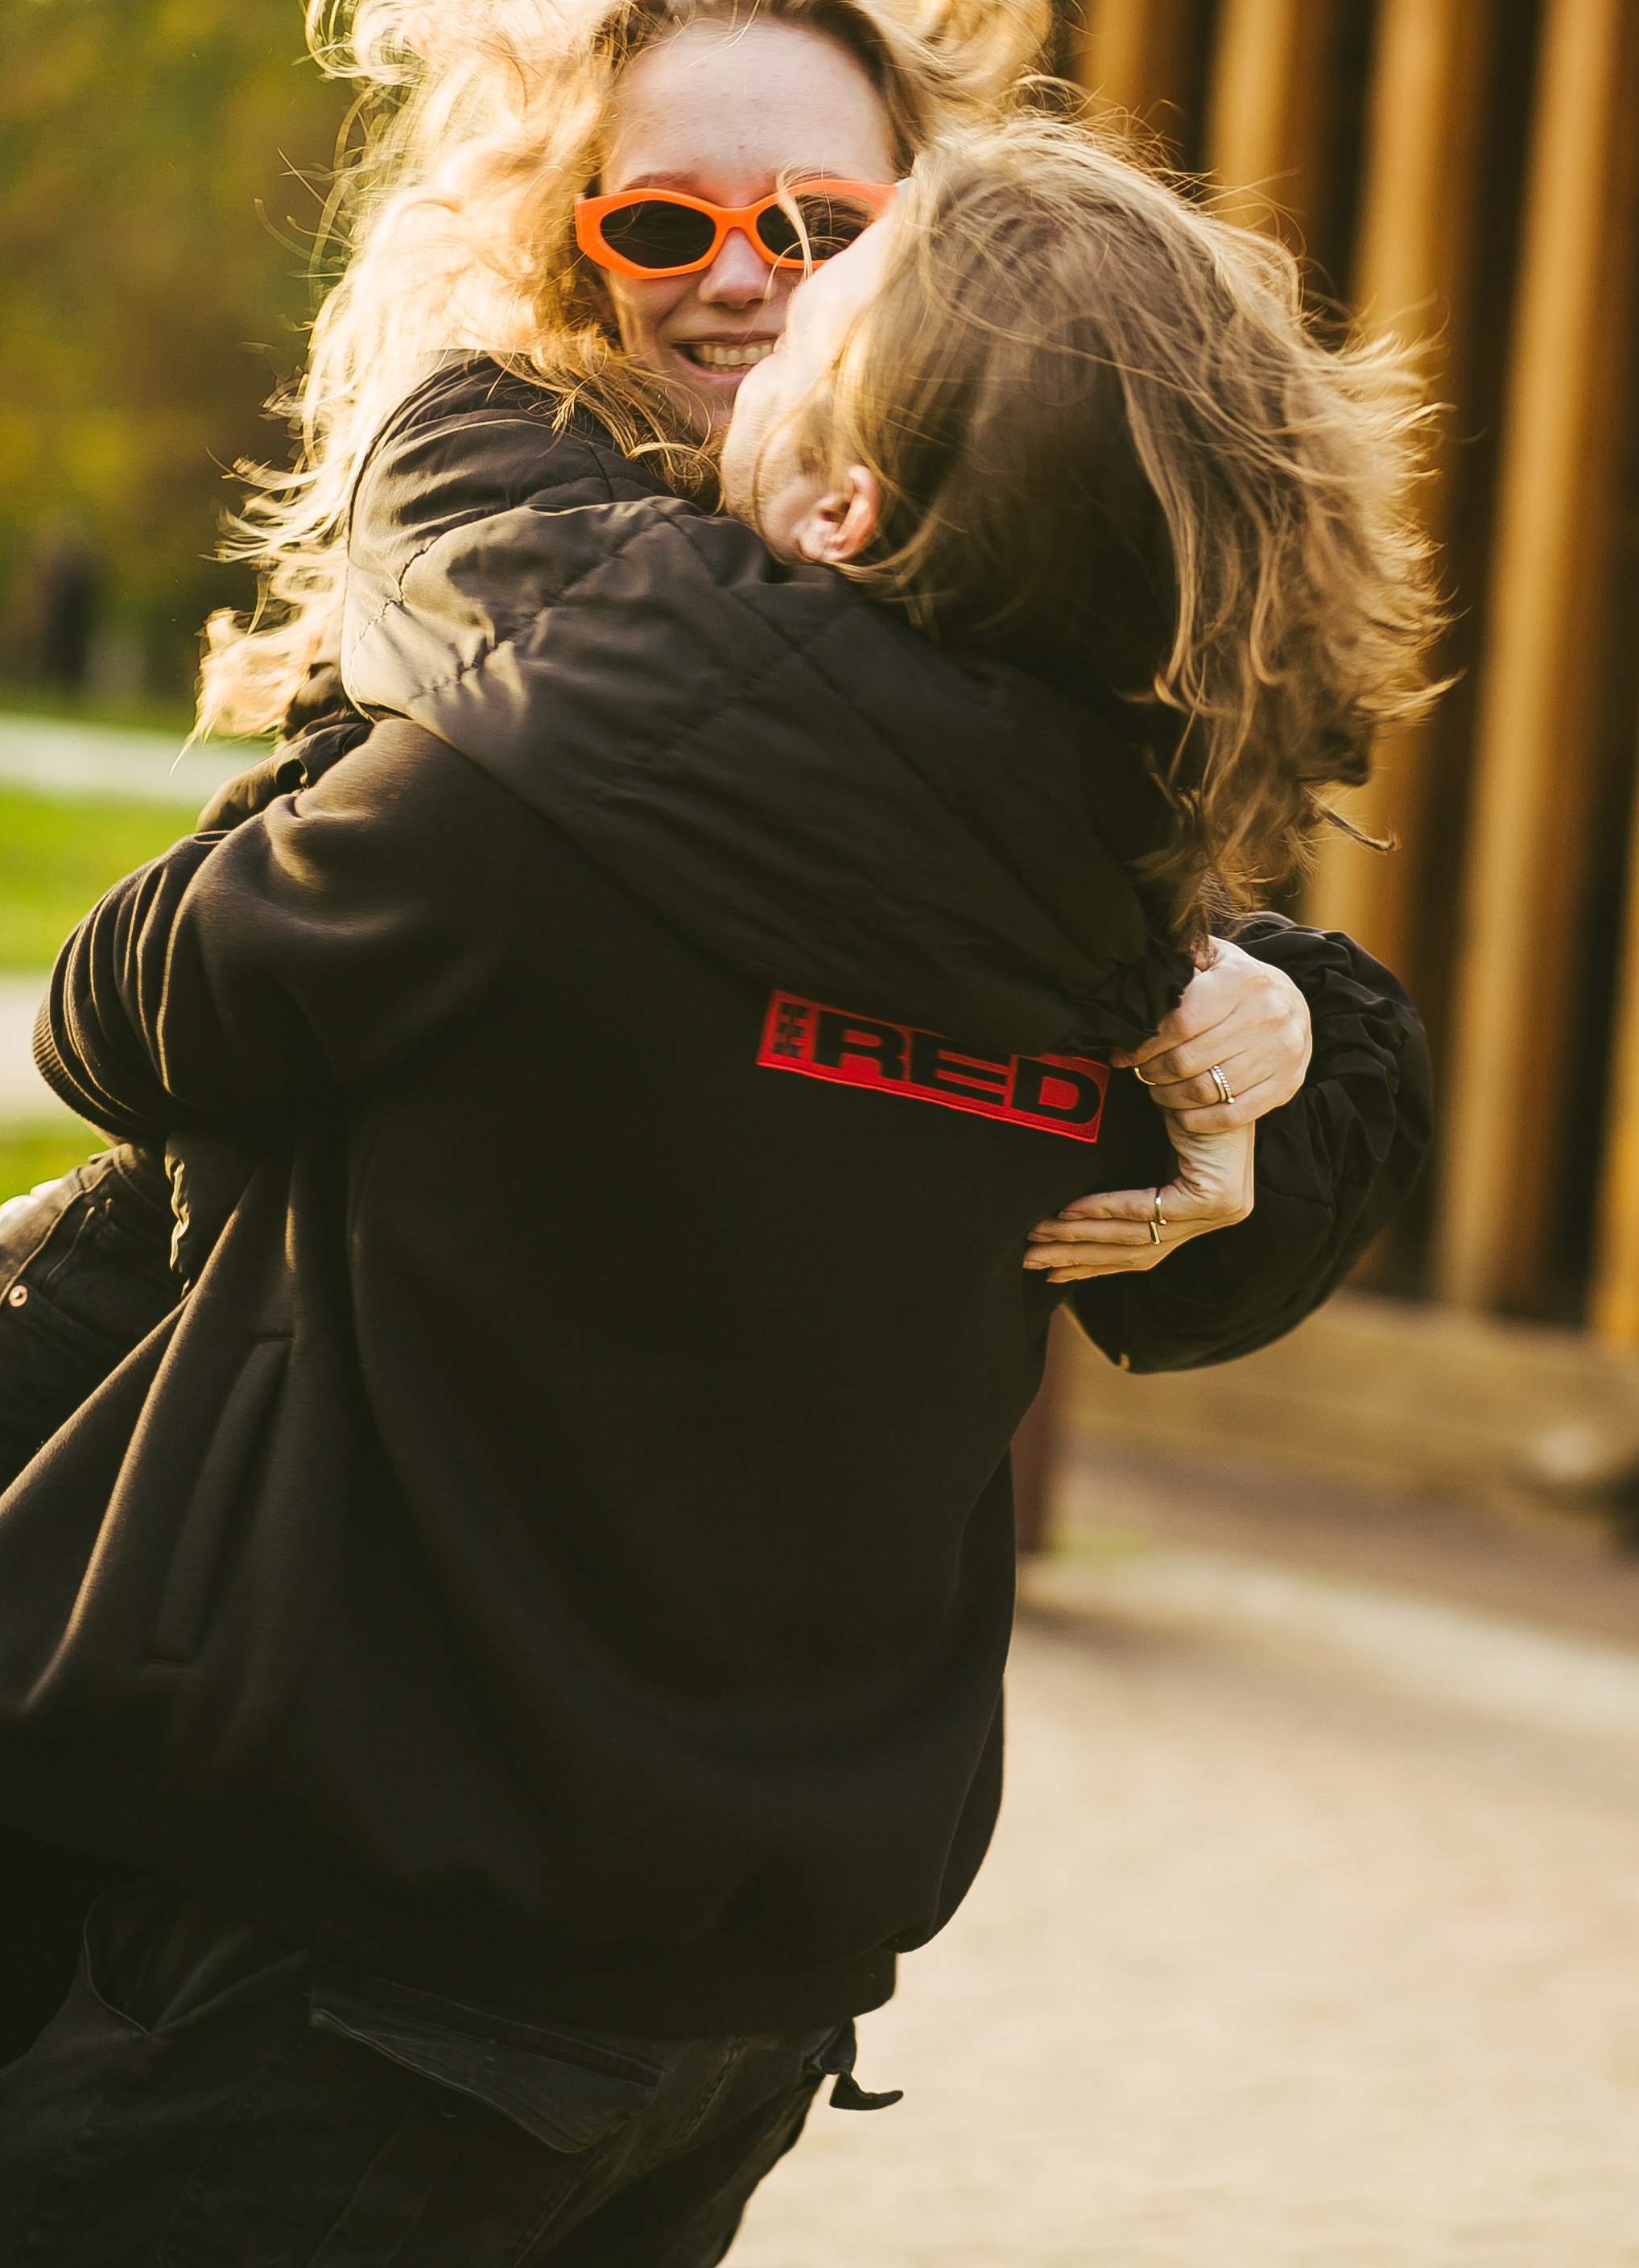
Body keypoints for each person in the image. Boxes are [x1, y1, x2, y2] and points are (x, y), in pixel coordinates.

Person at [0, 118, 1435, 2266]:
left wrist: (443, 721)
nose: (748, 313)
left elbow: (116, 1016)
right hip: (727, 2015)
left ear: (840, 502)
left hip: (333, 1961)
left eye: (822, 301)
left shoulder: (532, 797)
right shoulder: (1128, 906)